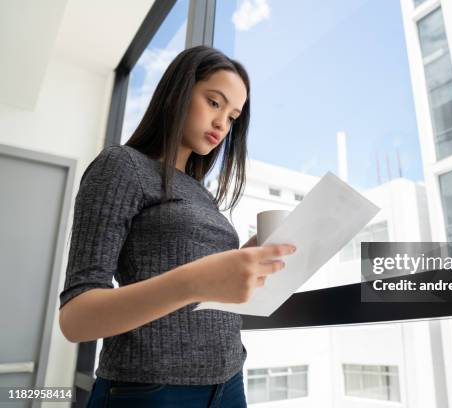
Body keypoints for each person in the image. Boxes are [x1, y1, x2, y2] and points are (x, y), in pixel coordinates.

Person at [58, 45, 296, 407]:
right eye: (214, 103)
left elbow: (203, 283)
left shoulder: (201, 193)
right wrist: (194, 281)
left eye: (232, 116)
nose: (222, 124)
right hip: (151, 390)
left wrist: (248, 258)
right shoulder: (122, 166)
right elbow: (75, 318)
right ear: (177, 93)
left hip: (229, 381)